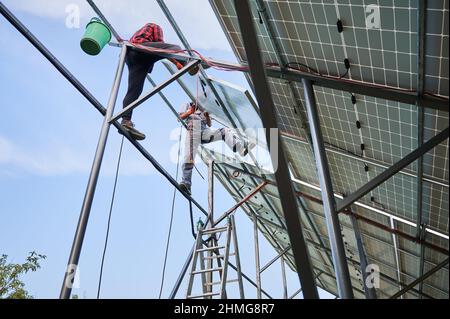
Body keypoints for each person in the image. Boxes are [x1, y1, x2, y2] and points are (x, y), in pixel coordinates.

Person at [120, 23, 199, 140]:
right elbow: (162, 46)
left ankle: (125, 121)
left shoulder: (137, 35)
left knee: (134, 92)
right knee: (175, 48)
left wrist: (176, 63)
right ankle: (187, 62)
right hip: (142, 50)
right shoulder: (154, 26)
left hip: (133, 57)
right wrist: (179, 62)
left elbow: (162, 50)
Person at [178, 102, 254, 195]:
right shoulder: (188, 104)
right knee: (188, 158)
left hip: (204, 132)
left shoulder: (203, 107)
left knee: (224, 131)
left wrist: (207, 116)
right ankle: (186, 183)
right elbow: (180, 117)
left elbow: (209, 124)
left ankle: (240, 149)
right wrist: (190, 111)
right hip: (193, 130)